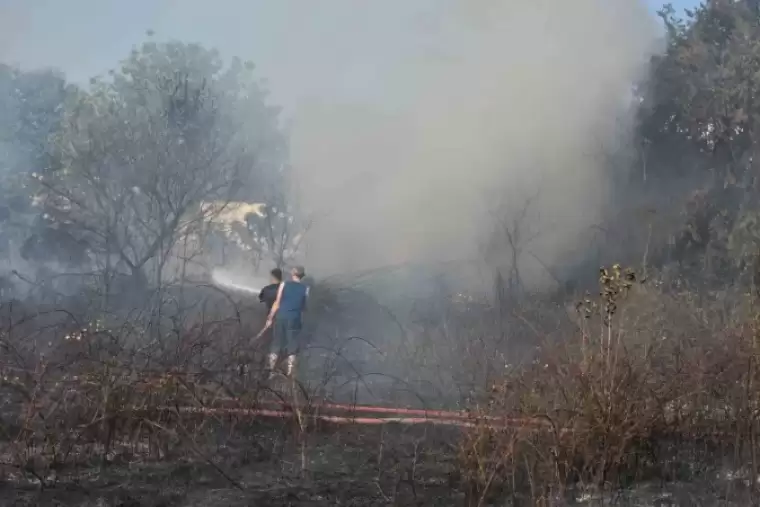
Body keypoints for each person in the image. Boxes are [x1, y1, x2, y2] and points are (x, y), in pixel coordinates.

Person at [266, 265, 308, 377]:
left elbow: (277, 303)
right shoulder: (305, 289)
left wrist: (270, 318)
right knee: (292, 346)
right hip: (295, 319)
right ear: (302, 276)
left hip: (281, 316)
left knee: (276, 343)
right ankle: (290, 374)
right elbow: (303, 308)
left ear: (293, 274)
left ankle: (271, 371)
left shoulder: (284, 284)